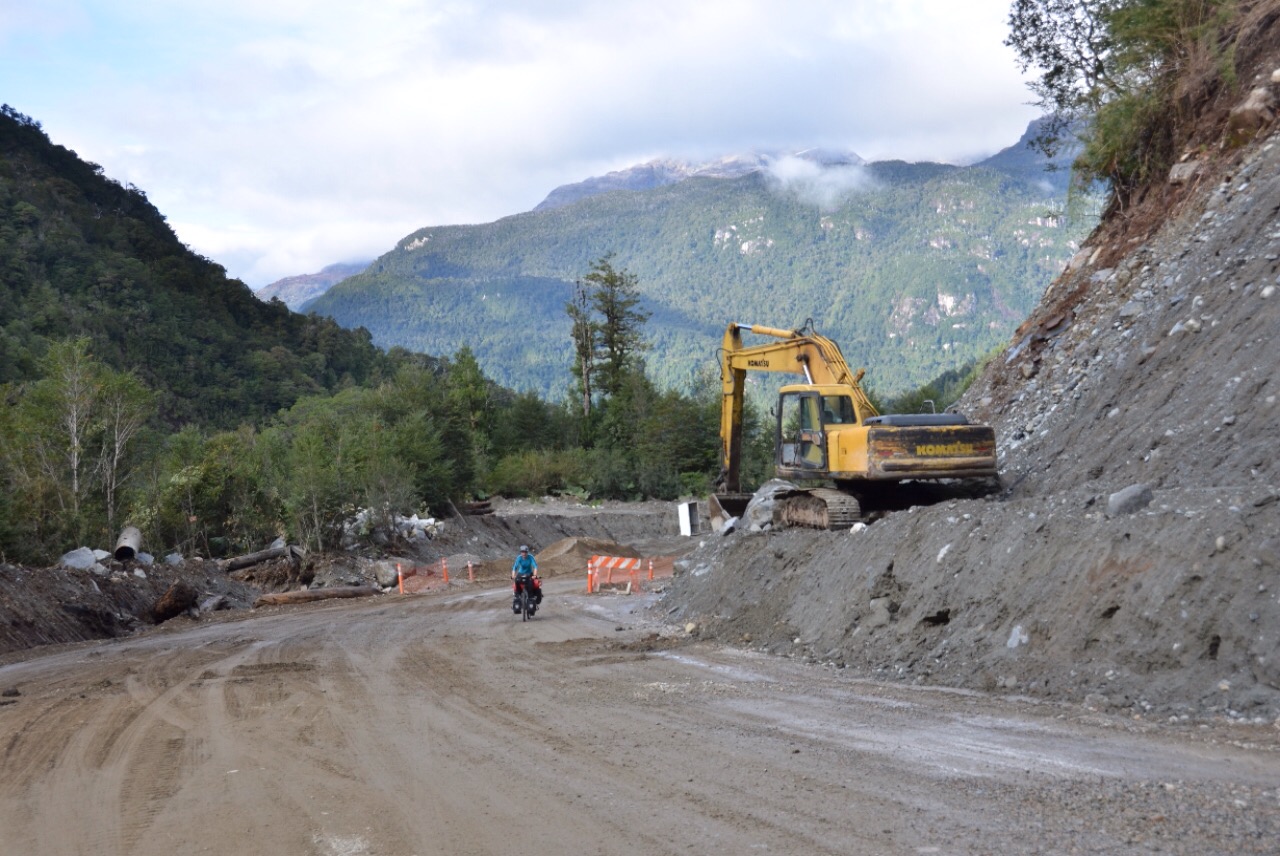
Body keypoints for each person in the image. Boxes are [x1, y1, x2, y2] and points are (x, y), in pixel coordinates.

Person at [511, 545, 541, 612]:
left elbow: (535, 566)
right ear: (521, 552)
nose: (524, 553)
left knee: (531, 583)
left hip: (529, 573)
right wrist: (513, 575)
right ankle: (517, 595)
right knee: (516, 581)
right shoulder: (519, 558)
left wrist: (535, 575)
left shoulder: (531, 557)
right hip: (520, 573)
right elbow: (514, 567)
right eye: (522, 552)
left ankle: (531, 597)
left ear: (527, 552)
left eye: (525, 552)